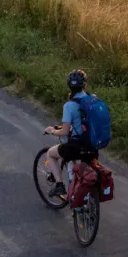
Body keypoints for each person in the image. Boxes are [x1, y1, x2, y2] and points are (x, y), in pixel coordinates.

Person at [43, 69, 95, 198]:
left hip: (76, 147)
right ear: (85, 85)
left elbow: (65, 131)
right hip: (93, 145)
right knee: (82, 169)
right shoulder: (93, 99)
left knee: (50, 153)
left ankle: (59, 186)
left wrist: (53, 131)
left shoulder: (69, 106)